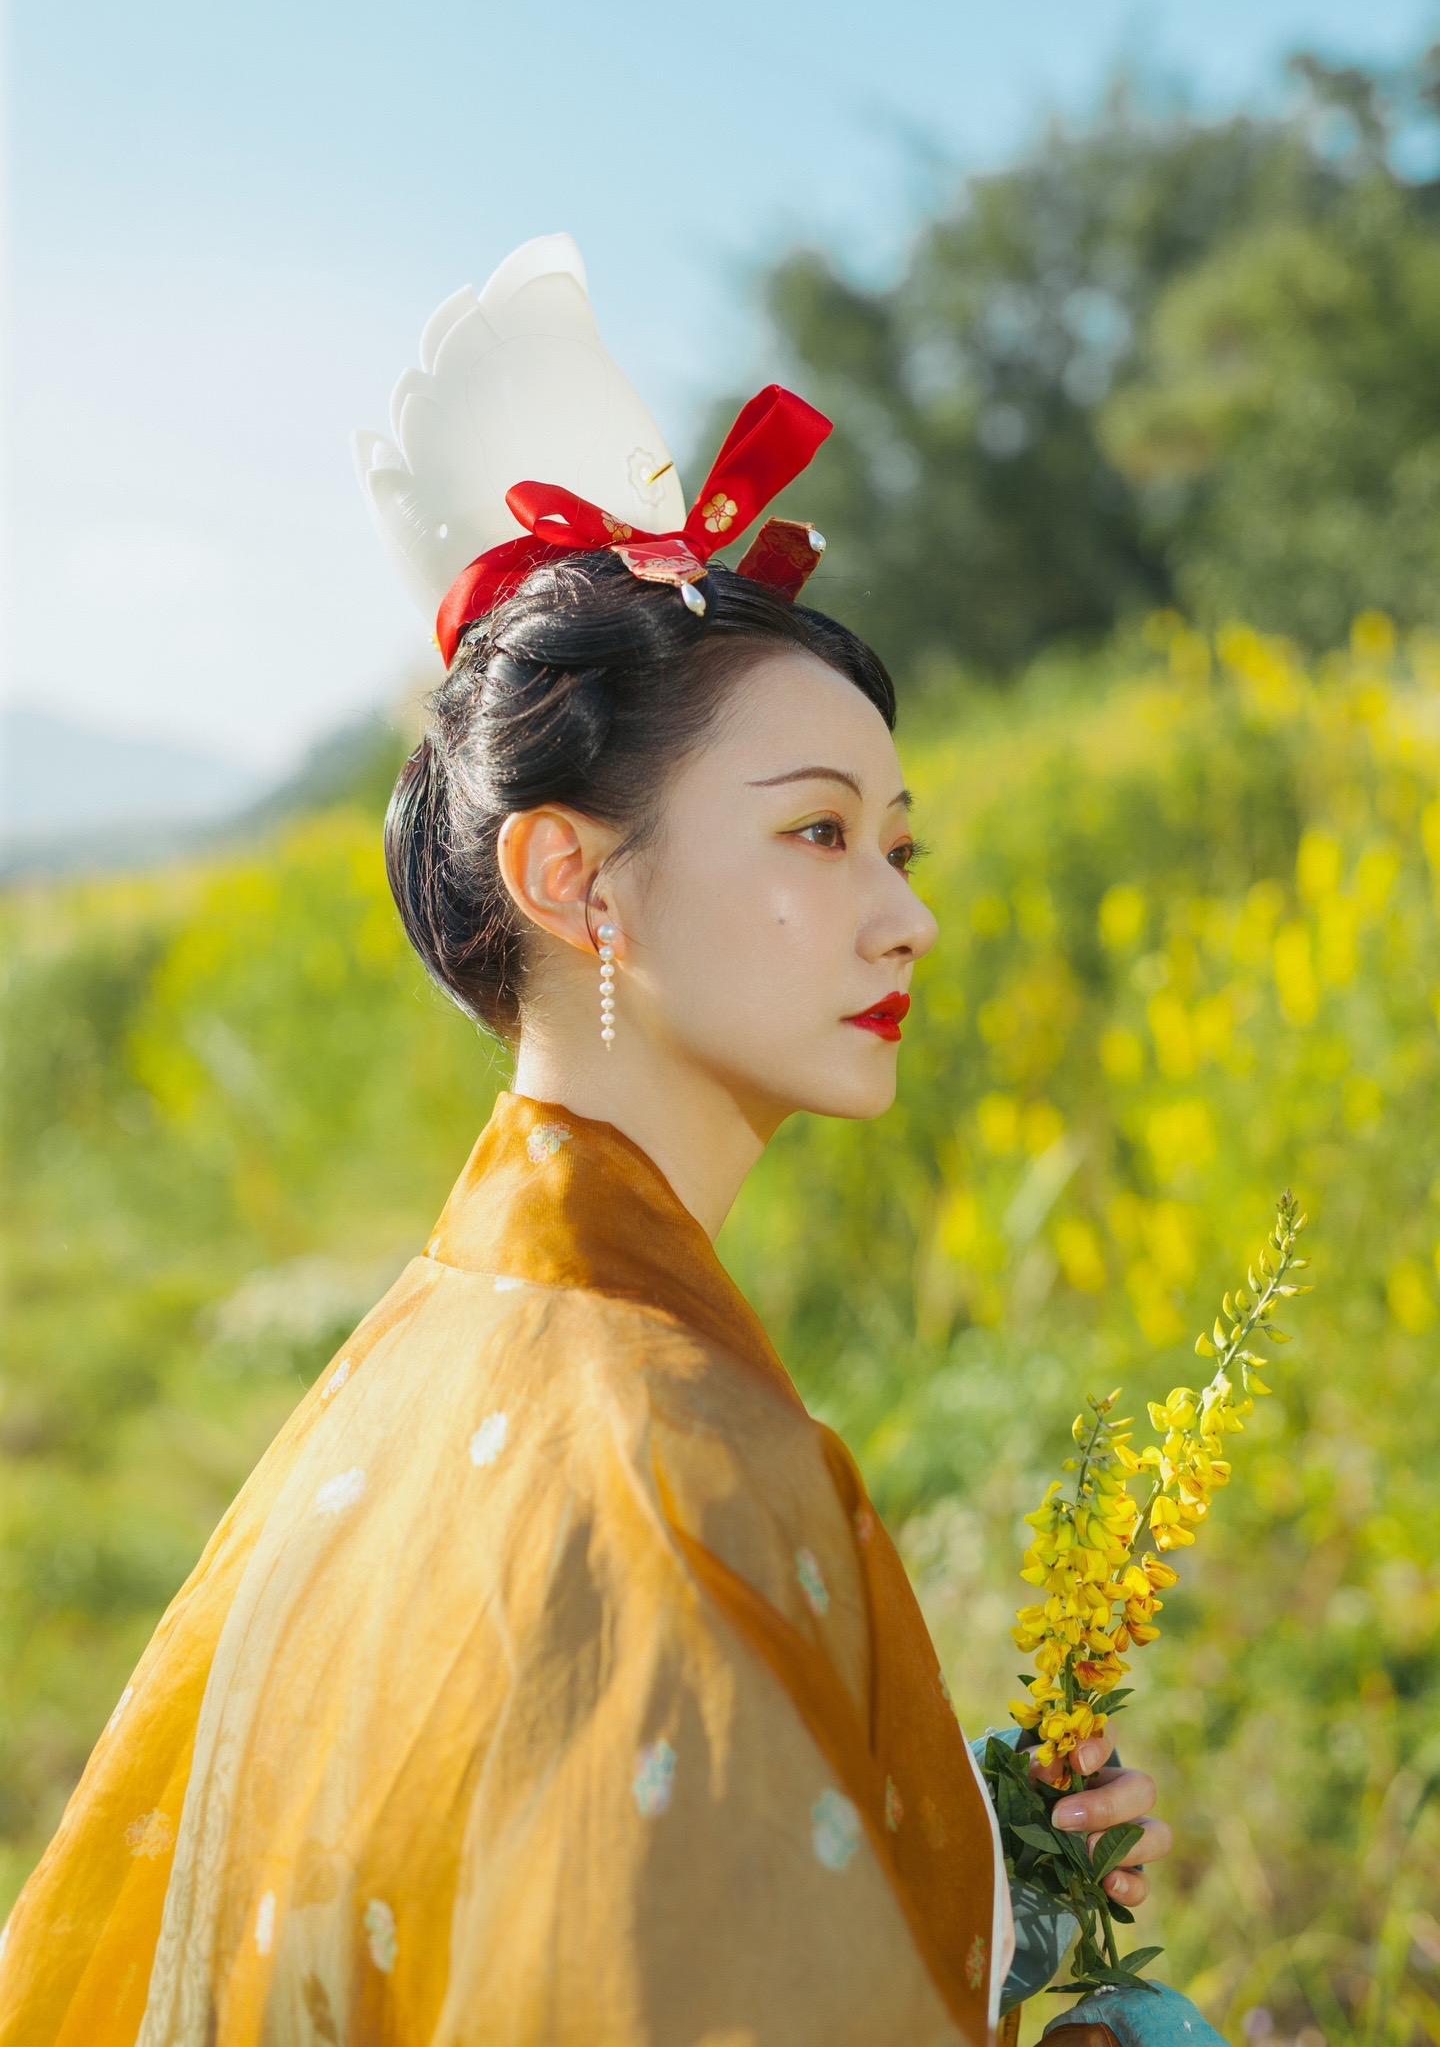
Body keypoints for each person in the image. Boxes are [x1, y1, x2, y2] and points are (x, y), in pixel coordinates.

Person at [0, 236, 1173, 2046]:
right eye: (817, 834)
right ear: (572, 876)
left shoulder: (451, 1329)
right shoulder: (655, 1448)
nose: (906, 918)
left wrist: (978, 1854)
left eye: (899, 845)